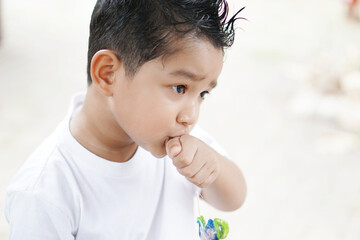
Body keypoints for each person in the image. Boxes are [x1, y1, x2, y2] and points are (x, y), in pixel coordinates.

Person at [5, 0, 247, 239]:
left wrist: (212, 167)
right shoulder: (43, 195)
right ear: (108, 74)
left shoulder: (176, 144)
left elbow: (234, 197)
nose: (190, 116)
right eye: (180, 88)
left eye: (202, 93)